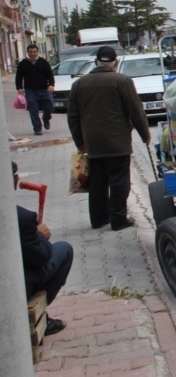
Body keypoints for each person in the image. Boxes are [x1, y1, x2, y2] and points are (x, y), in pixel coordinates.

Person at [67, 46, 151, 230]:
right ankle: (118, 219)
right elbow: (135, 111)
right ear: (116, 61)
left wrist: (80, 142)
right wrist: (145, 134)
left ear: (96, 61)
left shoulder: (79, 84)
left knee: (97, 182)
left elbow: (72, 116)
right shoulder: (122, 81)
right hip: (117, 142)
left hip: (92, 143)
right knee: (119, 180)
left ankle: (98, 219)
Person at [13, 161, 73, 336]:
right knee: (63, 249)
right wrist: (39, 235)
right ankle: (36, 317)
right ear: (16, 179)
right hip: (14, 287)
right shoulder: (21, 217)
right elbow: (42, 256)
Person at [15, 44, 55, 136]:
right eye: (30, 52)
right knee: (33, 110)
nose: (32, 54)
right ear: (27, 52)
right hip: (30, 91)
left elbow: (50, 74)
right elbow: (19, 77)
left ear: (37, 52)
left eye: (34, 52)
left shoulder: (43, 62)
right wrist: (19, 87)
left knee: (49, 107)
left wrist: (51, 85)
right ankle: (37, 128)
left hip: (44, 90)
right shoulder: (23, 64)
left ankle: (46, 119)